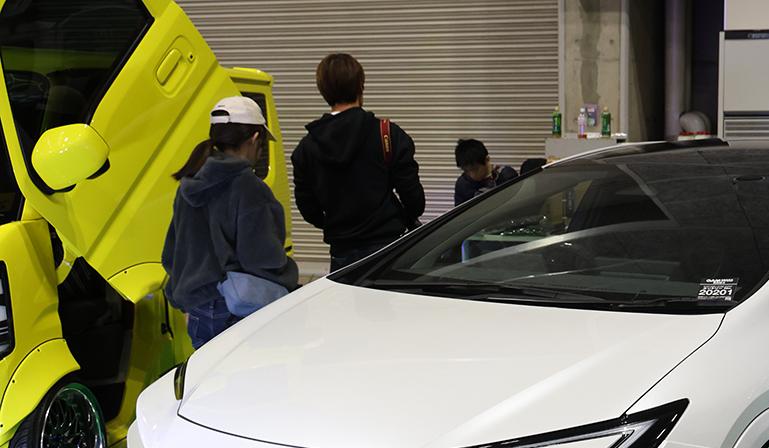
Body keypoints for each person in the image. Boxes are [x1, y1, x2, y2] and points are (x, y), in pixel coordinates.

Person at [162, 96, 298, 349]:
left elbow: (172, 254)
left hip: (198, 311)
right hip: (237, 311)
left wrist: (187, 301)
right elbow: (263, 260)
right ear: (254, 139)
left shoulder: (188, 185)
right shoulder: (249, 188)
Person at [291, 53, 425, 270]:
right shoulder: (387, 134)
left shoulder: (306, 148)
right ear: (361, 84)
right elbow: (414, 199)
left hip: (341, 251)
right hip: (388, 247)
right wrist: (399, 218)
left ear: (322, 90)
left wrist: (334, 225)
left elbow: (307, 207)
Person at [454, 139, 518, 205]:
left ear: (487, 159)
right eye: (466, 171)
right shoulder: (463, 183)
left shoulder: (506, 175)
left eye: (475, 169)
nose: (472, 175)